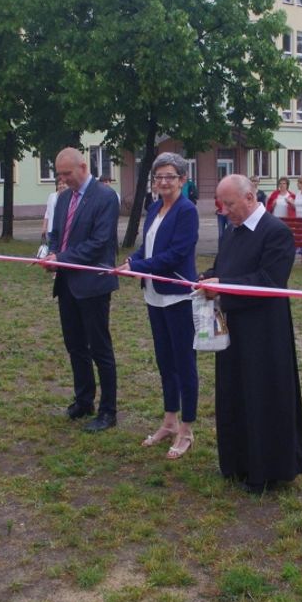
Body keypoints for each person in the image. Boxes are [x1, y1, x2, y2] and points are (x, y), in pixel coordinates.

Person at [200, 175, 302, 494]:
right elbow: (224, 267)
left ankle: (266, 470)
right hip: (233, 326)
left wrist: (223, 288)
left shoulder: (276, 232)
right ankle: (236, 461)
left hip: (264, 332)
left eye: (229, 204)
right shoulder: (232, 232)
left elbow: (269, 281)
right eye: (221, 204)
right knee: (234, 391)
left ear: (249, 198)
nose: (224, 210)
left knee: (262, 396)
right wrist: (206, 279)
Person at [117, 153, 199, 459]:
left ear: (182, 180)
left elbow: (176, 254)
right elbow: (146, 247)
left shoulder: (186, 211)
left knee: (184, 365)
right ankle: (169, 421)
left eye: (169, 176)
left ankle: (187, 429)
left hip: (178, 297)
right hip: (154, 296)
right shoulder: (154, 209)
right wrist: (132, 261)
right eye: (158, 177)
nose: (163, 182)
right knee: (165, 362)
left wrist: (141, 267)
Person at [45, 147, 121, 432]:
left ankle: (108, 411)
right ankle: (84, 399)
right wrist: (52, 255)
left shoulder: (105, 197)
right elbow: (56, 236)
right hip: (66, 284)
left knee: (100, 348)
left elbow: (100, 243)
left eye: (67, 174)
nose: (63, 180)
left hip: (93, 285)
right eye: (59, 175)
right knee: (75, 345)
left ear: (82, 167)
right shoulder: (64, 198)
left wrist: (60, 259)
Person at [41, 178, 67, 243]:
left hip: (65, 229)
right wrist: (44, 228)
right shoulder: (52, 196)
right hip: (52, 228)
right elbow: (47, 213)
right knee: (52, 249)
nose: (61, 186)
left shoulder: (70, 196)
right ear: (56, 186)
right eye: (59, 184)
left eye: (63, 184)